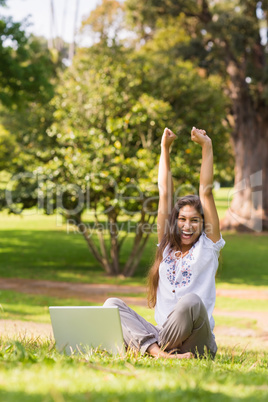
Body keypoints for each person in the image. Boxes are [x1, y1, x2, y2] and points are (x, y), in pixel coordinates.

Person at [104, 126, 225, 359]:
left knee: (191, 302)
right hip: (163, 335)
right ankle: (160, 353)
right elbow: (164, 194)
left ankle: (147, 347)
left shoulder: (208, 246)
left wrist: (207, 146)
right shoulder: (167, 247)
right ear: (174, 221)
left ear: (204, 223)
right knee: (112, 305)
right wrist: (164, 149)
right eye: (181, 219)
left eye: (194, 220)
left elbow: (206, 192)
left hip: (196, 340)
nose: (187, 226)